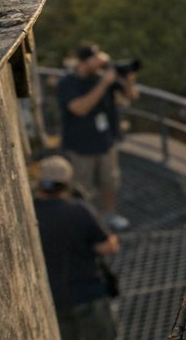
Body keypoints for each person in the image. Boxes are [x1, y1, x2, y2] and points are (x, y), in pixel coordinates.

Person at [33, 155, 120, 340]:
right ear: (67, 182)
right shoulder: (79, 210)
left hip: (53, 302)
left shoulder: (30, 213)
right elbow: (107, 248)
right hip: (87, 296)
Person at [58, 44, 139, 231]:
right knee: (82, 187)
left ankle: (110, 215)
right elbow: (79, 108)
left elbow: (132, 96)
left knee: (109, 182)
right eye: (95, 61)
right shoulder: (68, 83)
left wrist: (128, 79)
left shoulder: (103, 77)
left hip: (106, 142)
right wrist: (104, 84)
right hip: (80, 145)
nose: (100, 66)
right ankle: (86, 222)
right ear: (82, 63)